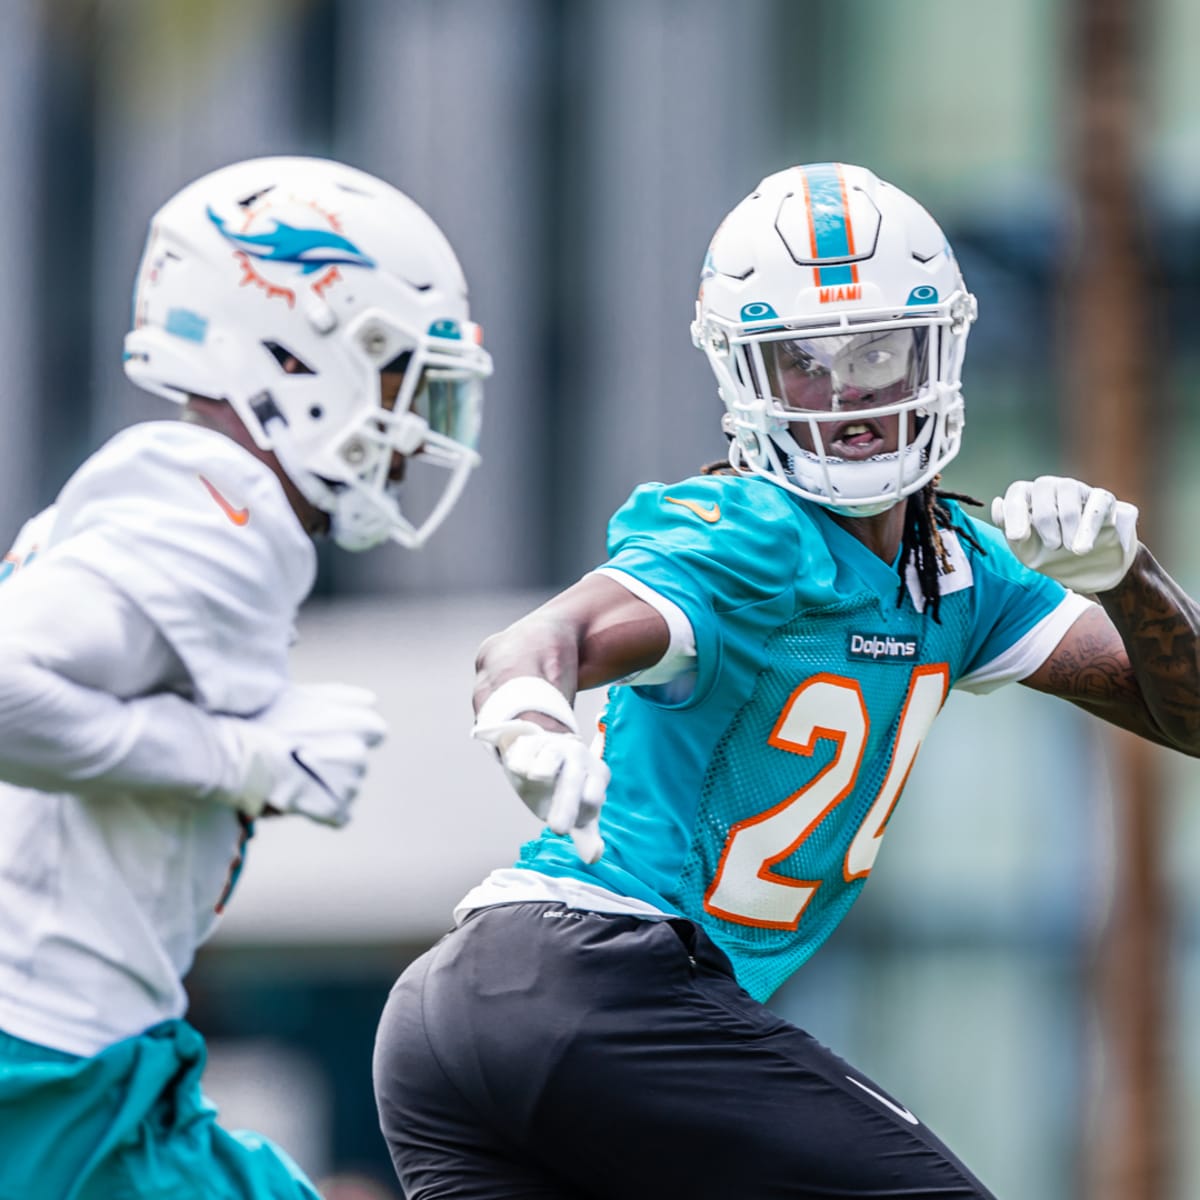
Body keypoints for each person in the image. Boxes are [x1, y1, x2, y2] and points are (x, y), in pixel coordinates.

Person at [372, 161, 1200, 1199]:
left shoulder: (964, 569)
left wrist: (1130, 578)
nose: (846, 394)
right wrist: (534, 715)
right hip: (589, 984)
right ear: (742, 377)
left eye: (875, 352)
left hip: (471, 1027)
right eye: (801, 361)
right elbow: (541, 640)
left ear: (933, 350)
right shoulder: (751, 534)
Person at [0, 155, 492, 1199]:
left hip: (87, 1064)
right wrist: (238, 757)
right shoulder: (217, 507)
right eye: (398, 374)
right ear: (294, 350)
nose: (411, 434)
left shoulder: (184, 501)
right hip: (48, 1071)